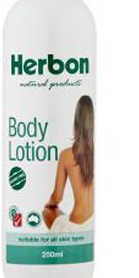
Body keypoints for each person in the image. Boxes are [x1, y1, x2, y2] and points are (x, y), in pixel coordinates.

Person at [42, 95, 94, 232]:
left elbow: (57, 197)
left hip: (76, 225)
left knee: (47, 211)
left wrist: (49, 203)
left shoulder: (66, 155)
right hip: (93, 221)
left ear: (76, 121)